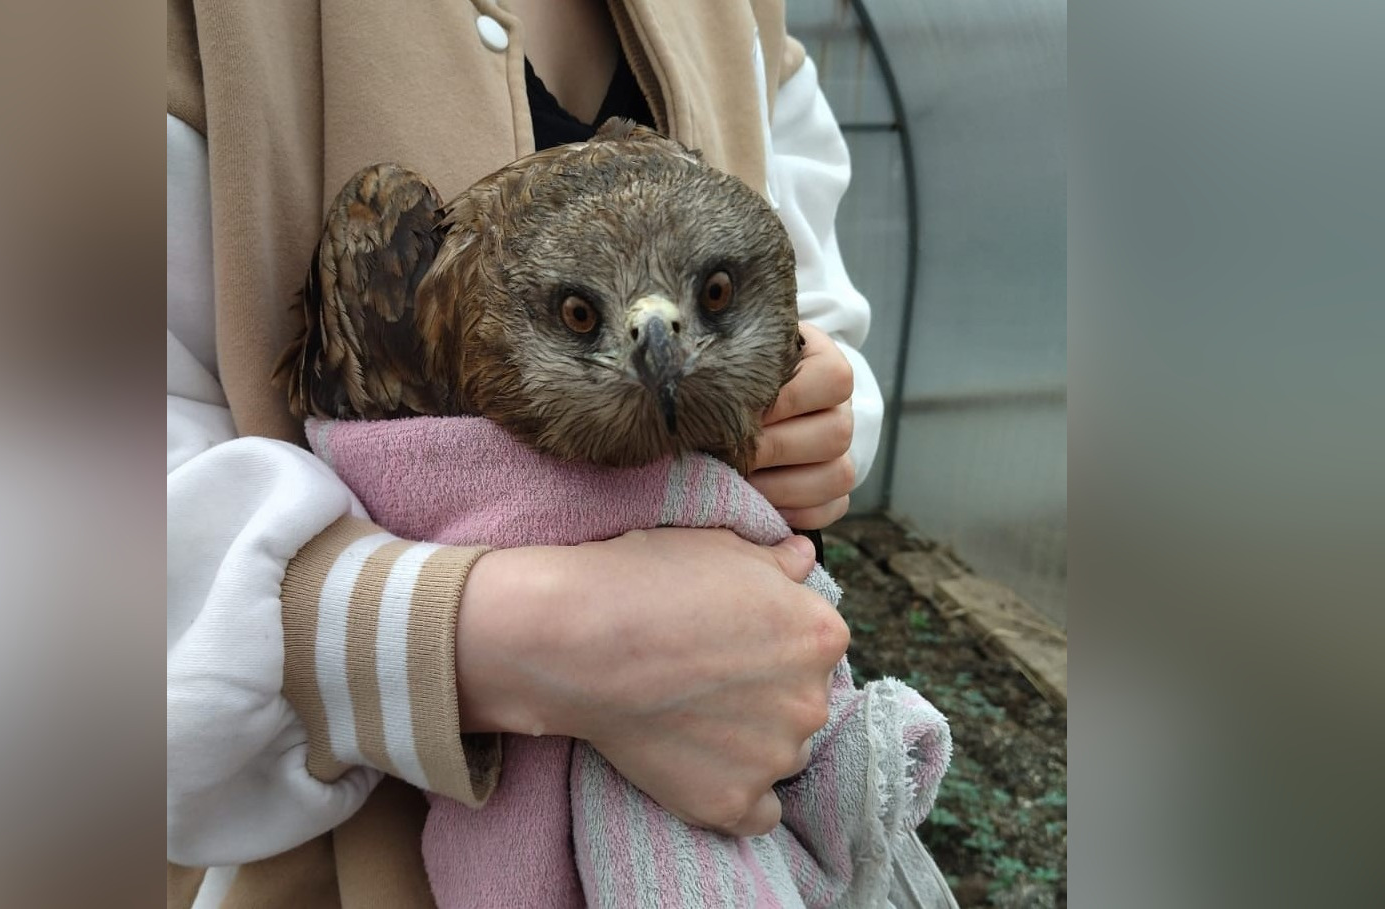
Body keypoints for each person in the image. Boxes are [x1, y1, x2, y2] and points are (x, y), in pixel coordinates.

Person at [168, 1, 948, 905]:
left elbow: (817, 301)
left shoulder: (745, 16)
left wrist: (824, 404)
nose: (659, 346)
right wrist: (490, 636)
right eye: (583, 316)